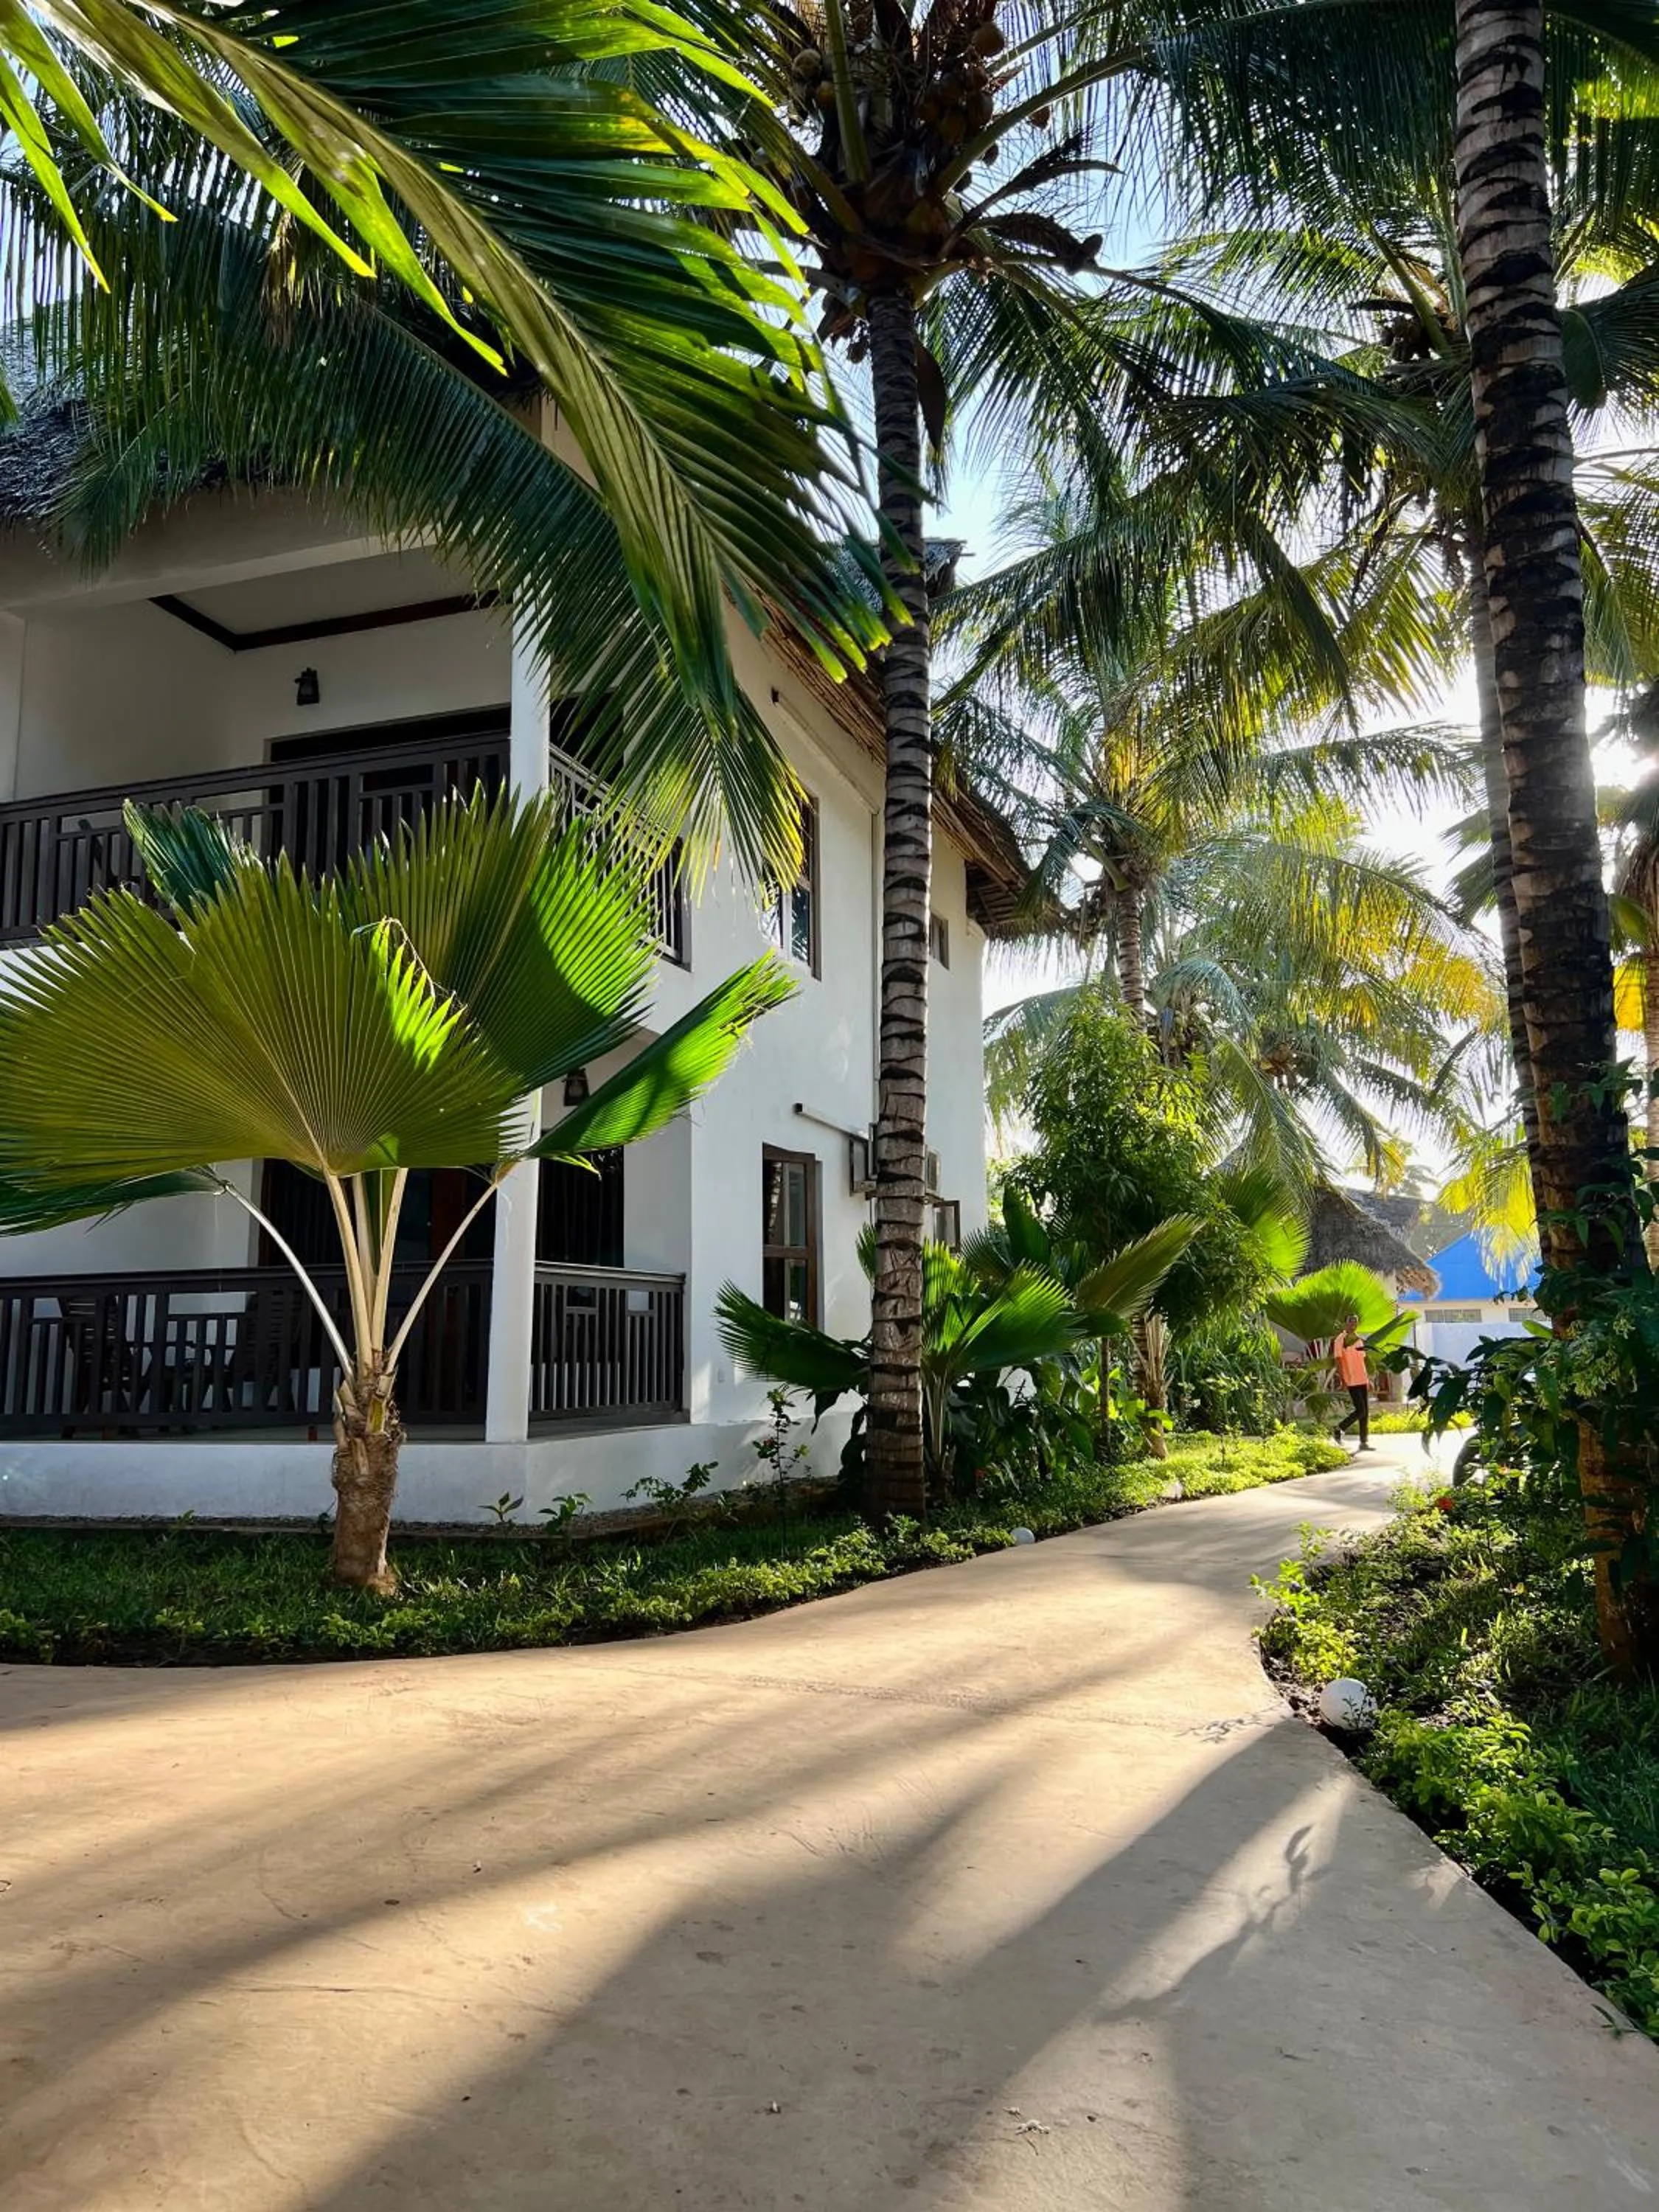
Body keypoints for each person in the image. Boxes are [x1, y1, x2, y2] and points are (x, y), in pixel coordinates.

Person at [1332, 1314, 1373, 1450]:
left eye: (1355, 1322)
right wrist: (1342, 1379)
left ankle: (1363, 1442)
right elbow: (1338, 1360)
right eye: (1350, 1322)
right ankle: (1339, 1428)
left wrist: (1368, 1379)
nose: (1353, 1325)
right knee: (1360, 1410)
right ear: (1346, 1323)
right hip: (1351, 1379)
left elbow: (1362, 1361)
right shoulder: (1340, 1340)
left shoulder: (1359, 1340)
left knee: (1365, 1412)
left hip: (1362, 1379)